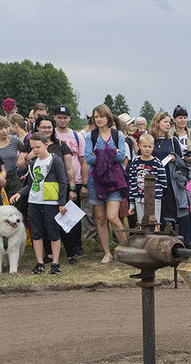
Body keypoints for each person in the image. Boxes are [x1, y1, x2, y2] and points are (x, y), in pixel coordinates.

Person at [11, 132, 69, 274]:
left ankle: (55, 262)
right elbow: (30, 184)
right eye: (32, 148)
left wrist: (61, 202)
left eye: (38, 147)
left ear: (46, 145)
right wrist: (20, 193)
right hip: (34, 202)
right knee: (36, 232)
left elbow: (62, 182)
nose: (35, 150)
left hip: (51, 202)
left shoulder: (55, 161)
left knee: (53, 231)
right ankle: (39, 262)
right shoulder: (32, 163)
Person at [83, 103, 129, 262]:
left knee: (112, 217)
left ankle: (126, 251)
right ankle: (107, 253)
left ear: (108, 117)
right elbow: (88, 158)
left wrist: (101, 154)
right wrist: (111, 153)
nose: (99, 119)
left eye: (101, 116)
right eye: (96, 117)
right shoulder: (91, 136)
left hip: (114, 180)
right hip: (96, 181)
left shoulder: (118, 135)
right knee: (100, 219)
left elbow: (121, 156)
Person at [52, 106, 86, 261]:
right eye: (59, 117)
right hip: (57, 181)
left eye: (65, 117)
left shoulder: (77, 136)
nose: (62, 120)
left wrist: (84, 183)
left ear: (69, 118)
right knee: (59, 215)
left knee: (74, 215)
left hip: (75, 180)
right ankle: (61, 246)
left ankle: (76, 245)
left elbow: (82, 160)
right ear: (54, 118)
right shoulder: (51, 135)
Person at [127, 134, 169, 230]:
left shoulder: (157, 163)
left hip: (154, 199)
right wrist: (132, 203)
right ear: (139, 146)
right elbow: (132, 183)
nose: (147, 149)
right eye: (144, 146)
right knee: (143, 224)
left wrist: (158, 194)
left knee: (155, 223)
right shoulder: (135, 162)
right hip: (139, 198)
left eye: (149, 146)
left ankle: (155, 242)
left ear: (153, 147)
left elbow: (164, 182)